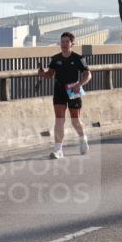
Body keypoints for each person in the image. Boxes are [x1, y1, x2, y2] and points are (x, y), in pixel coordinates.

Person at [38, 31, 92, 159]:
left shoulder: (78, 58)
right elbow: (49, 74)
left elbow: (88, 74)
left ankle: (83, 138)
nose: (64, 44)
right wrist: (42, 73)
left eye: (67, 41)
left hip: (73, 90)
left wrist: (80, 84)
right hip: (59, 91)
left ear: (72, 43)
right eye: (62, 41)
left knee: (75, 121)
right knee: (59, 120)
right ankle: (58, 150)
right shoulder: (55, 59)